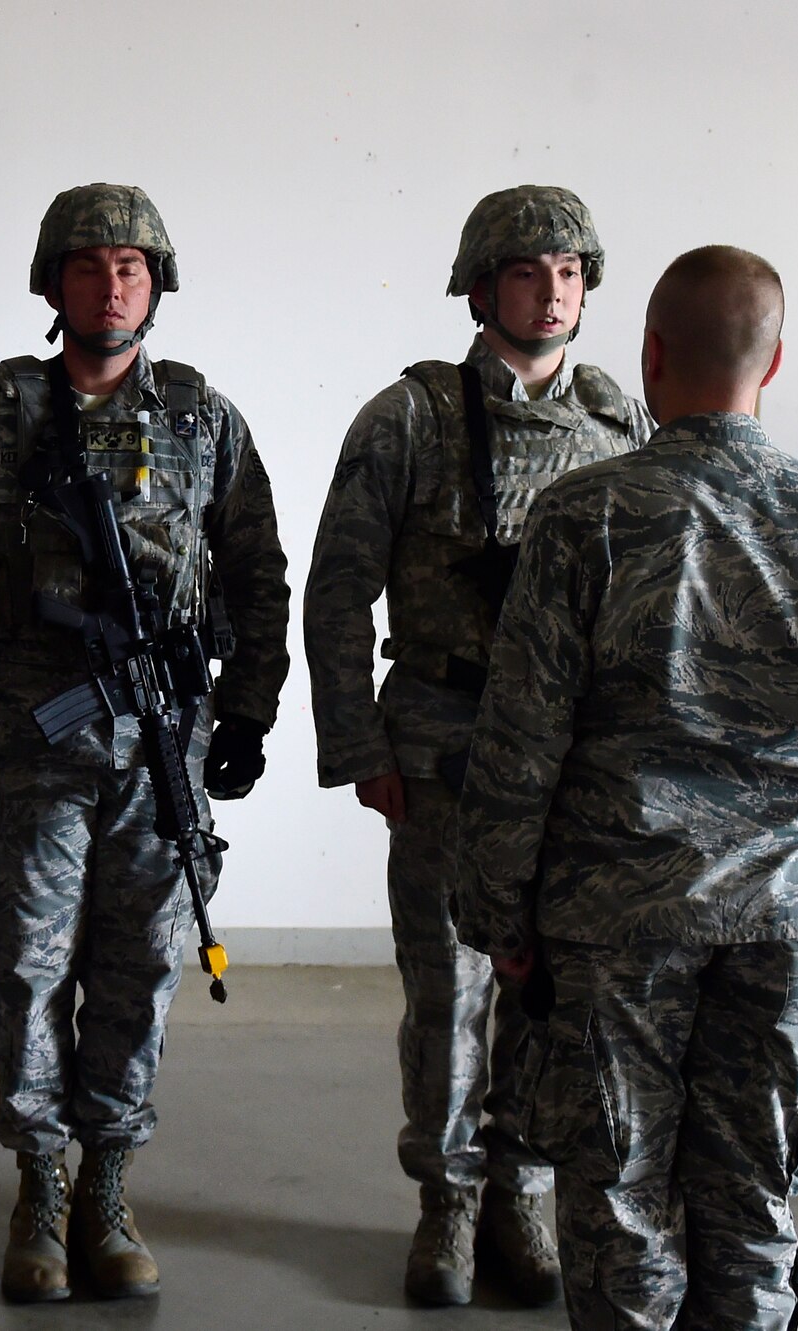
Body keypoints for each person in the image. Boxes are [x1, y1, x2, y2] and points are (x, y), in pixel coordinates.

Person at [454, 244, 798, 1330]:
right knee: (752, 1192)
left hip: (620, 915)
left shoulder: (584, 516)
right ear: (773, 361)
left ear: (649, 354)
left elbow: (519, 736)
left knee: (619, 1200)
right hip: (791, 914)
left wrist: (498, 912)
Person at [0, 183, 289, 1303]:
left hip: (159, 746)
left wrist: (245, 709)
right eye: (88, 264)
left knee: (141, 966)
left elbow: (256, 569)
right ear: (51, 284)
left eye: (130, 266)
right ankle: (36, 1184)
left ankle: (105, 1180)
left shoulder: (202, 419)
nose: (111, 283)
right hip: (27, 746)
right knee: (29, 966)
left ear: (156, 284)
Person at [303, 185, 654, 1306]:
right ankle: (446, 1199)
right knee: (448, 990)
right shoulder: (409, 418)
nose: (550, 292)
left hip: (575, 755)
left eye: (566, 272)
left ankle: (522, 1191)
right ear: (478, 284)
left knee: (550, 987)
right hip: (446, 734)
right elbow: (335, 591)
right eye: (524, 272)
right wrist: (360, 742)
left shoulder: (619, 421)